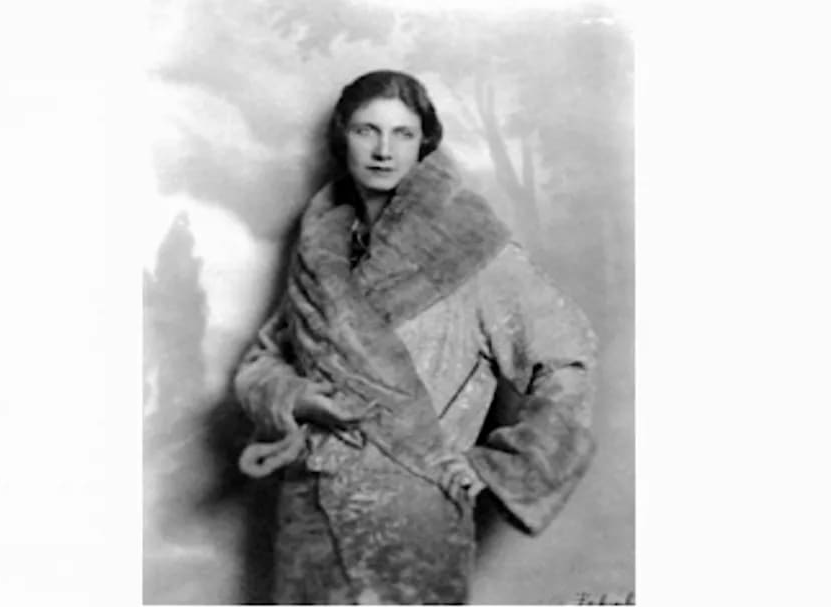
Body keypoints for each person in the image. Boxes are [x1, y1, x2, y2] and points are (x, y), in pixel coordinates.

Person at [233, 69, 598, 604]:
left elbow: (568, 357)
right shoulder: (322, 249)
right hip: (309, 513)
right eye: (367, 130)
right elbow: (261, 364)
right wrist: (298, 396)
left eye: (402, 133)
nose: (384, 150)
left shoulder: (471, 250)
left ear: (424, 141)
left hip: (414, 519)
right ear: (342, 137)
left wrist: (496, 465)